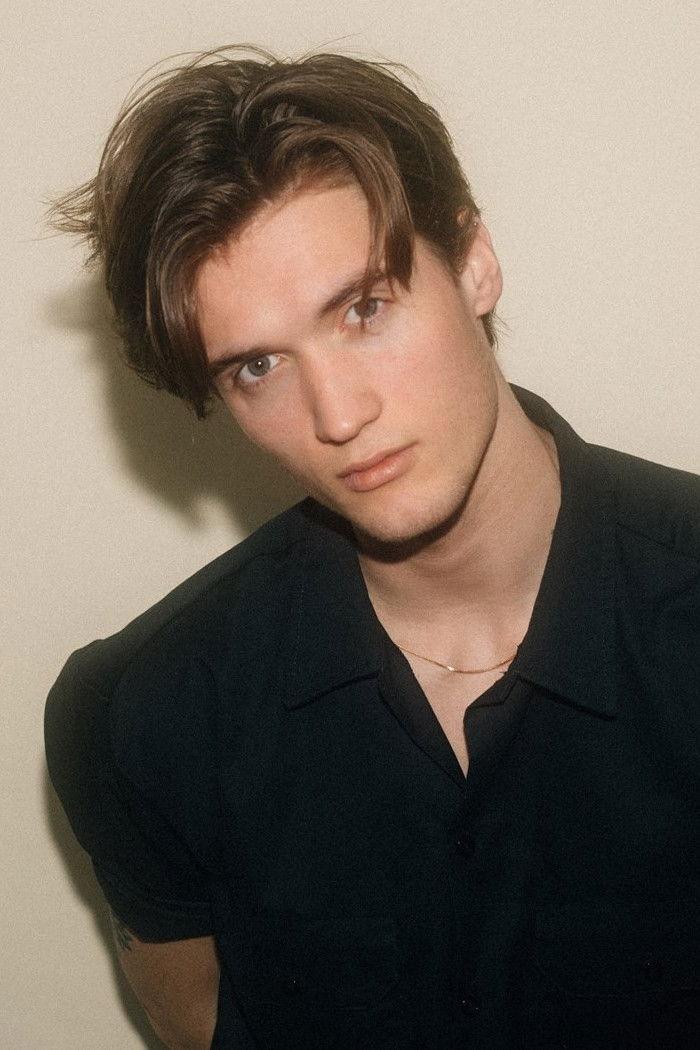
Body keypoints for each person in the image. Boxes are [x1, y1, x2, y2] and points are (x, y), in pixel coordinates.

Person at [44, 46, 699, 1050]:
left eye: (364, 309)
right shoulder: (143, 715)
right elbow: (199, 1022)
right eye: (258, 366)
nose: (338, 414)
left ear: (472, 263)